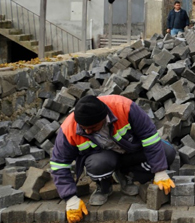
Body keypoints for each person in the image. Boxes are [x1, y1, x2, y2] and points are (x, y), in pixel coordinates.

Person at [51, 95, 177, 223]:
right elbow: (58, 165)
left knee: (168, 153)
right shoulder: (68, 129)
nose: (88, 132)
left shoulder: (125, 108)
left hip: (131, 151)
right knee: (97, 164)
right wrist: (70, 198)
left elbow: (150, 138)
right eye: (84, 128)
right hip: (103, 158)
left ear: (104, 118)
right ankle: (104, 186)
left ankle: (127, 175)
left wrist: (160, 171)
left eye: (93, 128)